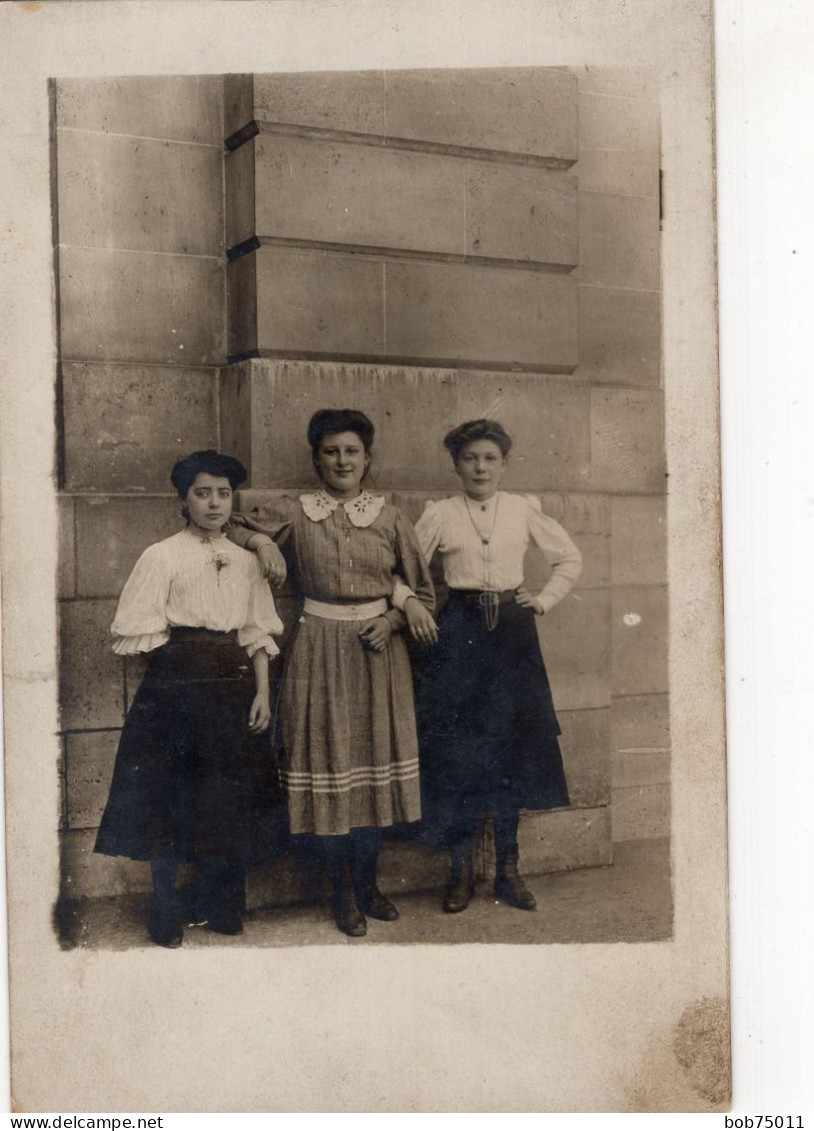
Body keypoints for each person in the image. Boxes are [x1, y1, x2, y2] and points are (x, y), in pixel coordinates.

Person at [229, 408, 436, 937]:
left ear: (368, 458)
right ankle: (340, 891)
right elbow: (227, 521)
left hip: (378, 656)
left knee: (369, 763)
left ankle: (369, 884)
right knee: (330, 762)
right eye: (330, 451)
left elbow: (425, 593)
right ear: (315, 458)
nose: (341, 461)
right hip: (318, 650)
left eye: (351, 451)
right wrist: (262, 541)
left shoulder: (390, 518)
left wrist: (394, 617)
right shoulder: (296, 512)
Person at [94, 451, 283, 948]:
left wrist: (262, 691)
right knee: (168, 792)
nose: (215, 502)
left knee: (228, 793)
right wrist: (181, 670)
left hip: (235, 685)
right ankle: (165, 905)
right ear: (184, 499)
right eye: (203, 493)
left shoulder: (247, 562)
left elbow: (256, 630)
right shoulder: (162, 555)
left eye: (223, 493)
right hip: (176, 688)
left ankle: (221, 901)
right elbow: (138, 628)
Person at [398, 419, 582, 914]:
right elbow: (401, 569)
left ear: (504, 463)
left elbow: (569, 560)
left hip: (513, 638)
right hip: (458, 634)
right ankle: (459, 873)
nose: (480, 467)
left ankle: (507, 871)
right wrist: (411, 603)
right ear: (456, 464)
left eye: (490, 458)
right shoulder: (440, 515)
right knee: (458, 753)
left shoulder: (523, 510)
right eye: (470, 459)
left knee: (511, 752)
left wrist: (540, 601)